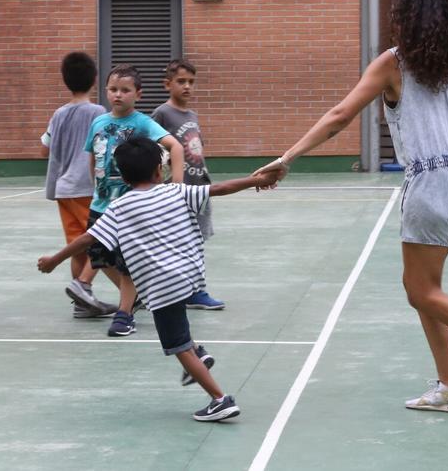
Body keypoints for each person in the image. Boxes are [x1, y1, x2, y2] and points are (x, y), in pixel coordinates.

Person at [256, 0, 448, 412]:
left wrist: (287, 157)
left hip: (431, 180)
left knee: (419, 289)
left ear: (405, 22)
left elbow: (340, 116)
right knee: (427, 287)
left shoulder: (393, 64)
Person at [37, 138, 277, 421]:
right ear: (158, 170)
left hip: (161, 287)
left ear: (124, 177)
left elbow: (88, 239)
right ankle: (198, 354)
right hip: (188, 277)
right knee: (180, 332)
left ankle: (220, 399)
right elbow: (220, 188)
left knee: (177, 346)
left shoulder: (119, 208)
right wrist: (255, 180)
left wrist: (55, 260)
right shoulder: (176, 192)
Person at [72, 64, 185, 337]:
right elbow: (93, 156)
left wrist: (177, 188)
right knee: (100, 258)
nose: (117, 95)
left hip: (130, 208)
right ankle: (134, 297)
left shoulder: (142, 123)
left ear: (138, 94)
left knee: (126, 263)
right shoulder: (98, 122)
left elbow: (176, 146)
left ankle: (124, 315)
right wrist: (95, 188)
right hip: (101, 204)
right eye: (112, 90)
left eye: (125, 90)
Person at [42, 52, 121, 319]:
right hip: (88, 187)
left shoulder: (59, 113)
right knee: (101, 239)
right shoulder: (98, 112)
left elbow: (45, 146)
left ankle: (81, 303)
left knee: (77, 244)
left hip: (64, 189)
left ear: (65, 80)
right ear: (95, 80)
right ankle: (82, 287)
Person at [151, 59, 225, 310]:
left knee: (196, 241)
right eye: (181, 81)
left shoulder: (192, 114)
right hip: (177, 189)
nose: (187, 87)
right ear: (167, 84)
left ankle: (194, 290)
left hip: (198, 187)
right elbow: (154, 148)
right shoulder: (162, 113)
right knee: (177, 241)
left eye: (191, 82)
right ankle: (188, 290)